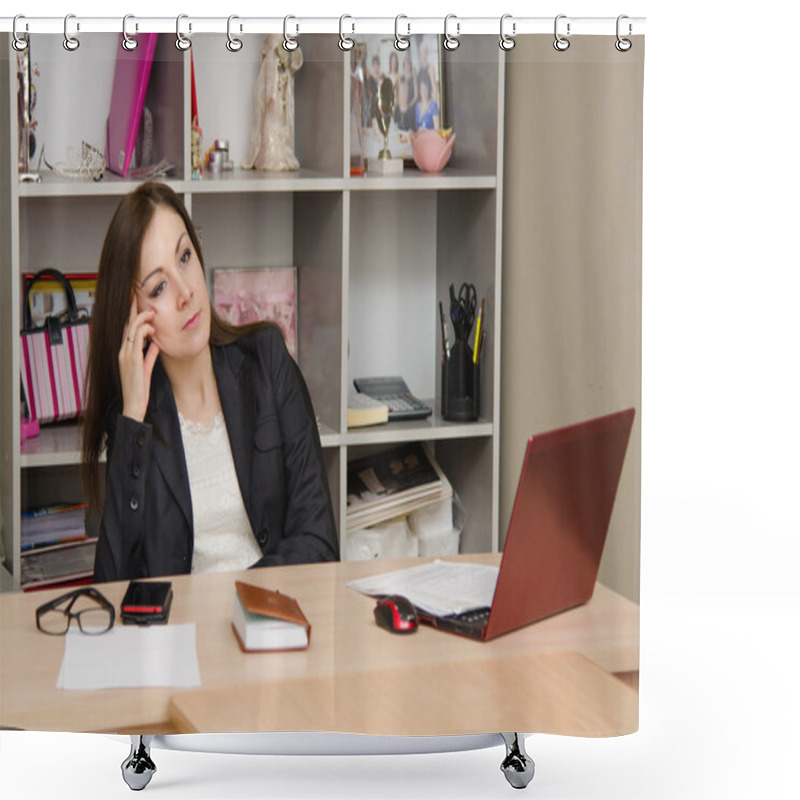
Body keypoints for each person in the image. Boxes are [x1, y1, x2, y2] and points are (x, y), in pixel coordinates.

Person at [82, 181, 338, 582]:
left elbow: (320, 545)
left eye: (184, 257)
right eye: (159, 287)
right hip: (181, 639)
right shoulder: (134, 420)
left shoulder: (267, 360)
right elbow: (113, 588)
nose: (185, 292)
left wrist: (232, 599)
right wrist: (132, 416)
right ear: (134, 317)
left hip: (275, 624)